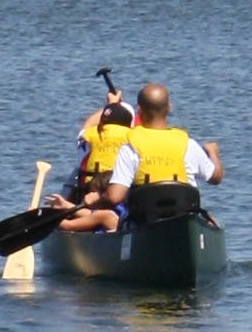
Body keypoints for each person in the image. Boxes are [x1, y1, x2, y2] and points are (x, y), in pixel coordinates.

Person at [103, 82, 223, 210]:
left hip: (146, 217)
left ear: (139, 110)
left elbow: (115, 197)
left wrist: (97, 199)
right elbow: (215, 177)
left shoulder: (130, 148)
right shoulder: (188, 144)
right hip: (183, 213)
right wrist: (212, 153)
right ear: (169, 107)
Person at [49, 103, 133, 233]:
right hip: (122, 194)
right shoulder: (134, 141)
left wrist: (111, 103)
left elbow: (86, 125)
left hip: (90, 191)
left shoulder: (88, 137)